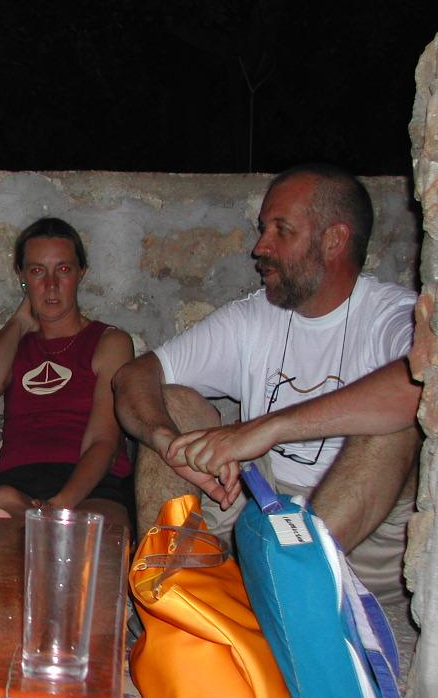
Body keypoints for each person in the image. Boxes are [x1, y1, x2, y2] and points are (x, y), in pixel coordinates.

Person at [113, 163, 418, 603]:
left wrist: (264, 428)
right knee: (172, 403)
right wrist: (165, 440)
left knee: (394, 425)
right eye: (262, 229)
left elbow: (420, 381)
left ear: (334, 240)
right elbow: (135, 375)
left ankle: (288, 592)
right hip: (259, 510)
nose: (260, 247)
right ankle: (169, 601)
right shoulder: (255, 317)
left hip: (362, 538)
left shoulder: (392, 315)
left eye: (281, 230)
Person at [0, 217, 135, 525]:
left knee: (102, 528)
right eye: (37, 271)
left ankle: (44, 531)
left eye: (63, 269)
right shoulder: (15, 344)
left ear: (82, 273)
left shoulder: (109, 341)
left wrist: (60, 506)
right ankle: (41, 532)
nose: (51, 285)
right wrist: (20, 322)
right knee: (1, 500)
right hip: (18, 480)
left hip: (90, 484)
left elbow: (102, 441)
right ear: (22, 276)